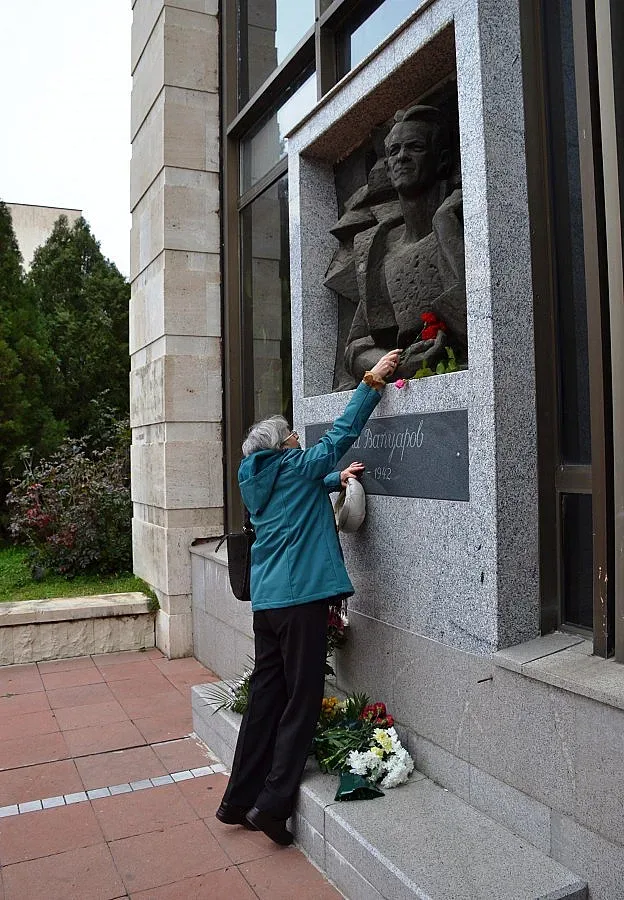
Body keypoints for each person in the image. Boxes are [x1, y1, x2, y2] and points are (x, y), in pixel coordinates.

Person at [216, 348, 401, 845]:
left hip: (269, 604)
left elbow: (298, 484)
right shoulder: (294, 465)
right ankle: (273, 805)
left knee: (266, 699)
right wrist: (372, 381)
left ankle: (237, 799)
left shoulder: (257, 477)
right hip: (301, 603)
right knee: (301, 699)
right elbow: (339, 435)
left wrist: (333, 479)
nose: (300, 438)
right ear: (281, 446)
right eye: (293, 435)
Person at [341, 105, 466, 383]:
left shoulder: (457, 227)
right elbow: (354, 349)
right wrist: (399, 365)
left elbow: (477, 325)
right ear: (386, 167)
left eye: (415, 148)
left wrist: (445, 226)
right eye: (394, 151)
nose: (402, 157)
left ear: (443, 160)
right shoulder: (380, 248)